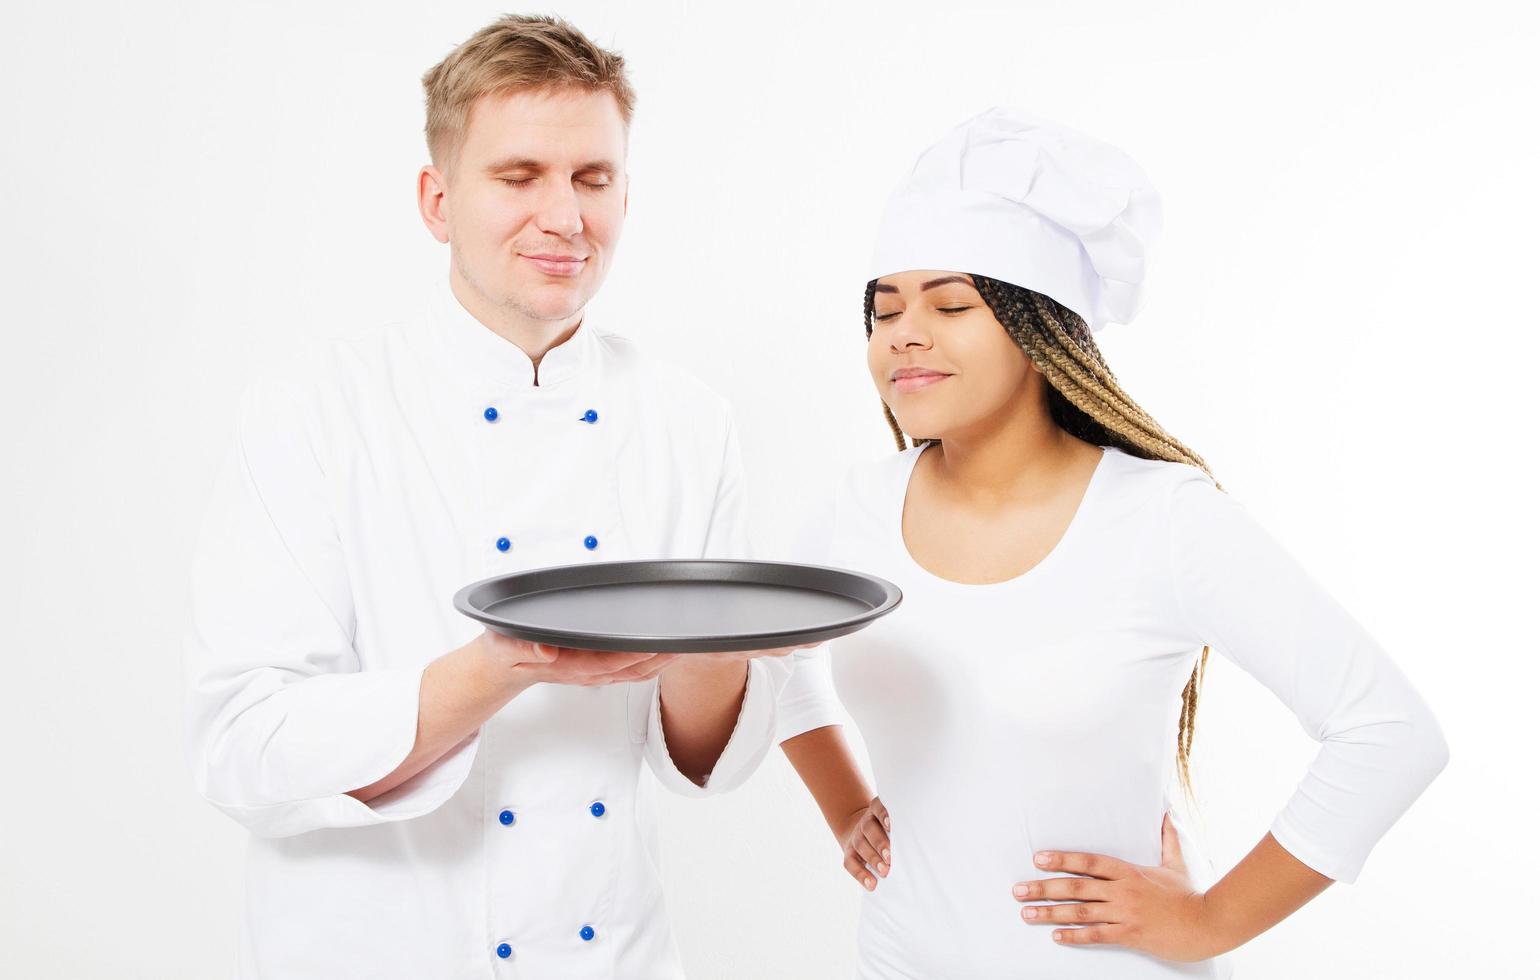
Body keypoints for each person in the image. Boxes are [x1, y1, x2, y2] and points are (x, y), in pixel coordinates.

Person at [182, 14, 801, 978]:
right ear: (437, 200)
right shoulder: (313, 412)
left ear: (626, 195)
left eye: (592, 179)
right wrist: (498, 668)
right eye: (519, 177)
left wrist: (712, 643)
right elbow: (241, 746)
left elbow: (705, 763)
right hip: (376, 953)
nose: (564, 216)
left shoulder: (688, 420)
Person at [775, 106, 1450, 978]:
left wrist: (1210, 923)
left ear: (1037, 330)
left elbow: (1390, 732)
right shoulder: (852, 511)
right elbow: (771, 668)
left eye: (950, 303)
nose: (903, 331)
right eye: (883, 309)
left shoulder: (1160, 517)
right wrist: (846, 809)